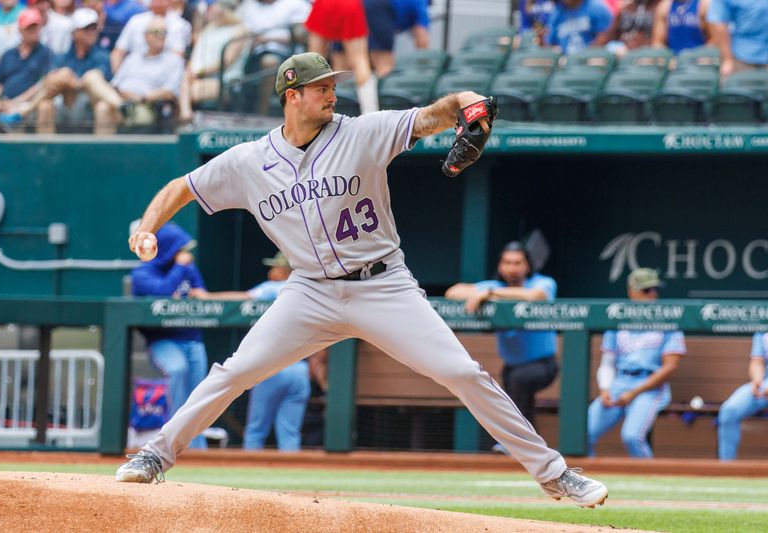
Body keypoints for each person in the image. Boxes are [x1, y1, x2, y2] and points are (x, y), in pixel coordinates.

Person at [115, 51, 608, 509]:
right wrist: (146, 227)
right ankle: (155, 456)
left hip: (383, 285)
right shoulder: (248, 161)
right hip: (308, 291)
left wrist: (465, 102)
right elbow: (181, 187)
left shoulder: (361, 132)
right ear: (292, 96)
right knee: (234, 372)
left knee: (462, 373)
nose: (332, 94)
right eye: (320, 88)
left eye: (333, 85)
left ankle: (554, 474)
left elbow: (435, 115)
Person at [191, 252, 311, 451]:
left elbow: (244, 298)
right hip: (300, 371)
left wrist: (207, 297)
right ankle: (290, 481)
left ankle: (243, 479)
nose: (271, 271)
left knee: (256, 430)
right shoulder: (309, 291)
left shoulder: (276, 287)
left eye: (275, 267)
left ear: (284, 270)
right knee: (290, 433)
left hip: (272, 368)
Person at [445, 242, 558, 432]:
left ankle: (511, 442)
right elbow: (453, 292)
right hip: (511, 366)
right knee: (521, 401)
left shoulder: (542, 282)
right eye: (507, 263)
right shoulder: (495, 285)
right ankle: (529, 447)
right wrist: (487, 292)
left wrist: (490, 294)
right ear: (500, 265)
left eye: (517, 263)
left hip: (543, 365)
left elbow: (536, 295)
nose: (511, 268)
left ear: (527, 265)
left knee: (518, 387)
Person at [587, 268, 686, 458]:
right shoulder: (618, 319)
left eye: (655, 289)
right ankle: (586, 483)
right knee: (583, 432)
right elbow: (608, 363)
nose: (653, 294)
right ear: (632, 292)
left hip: (650, 387)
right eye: (647, 290)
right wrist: (605, 388)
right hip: (620, 383)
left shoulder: (669, 320)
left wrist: (634, 392)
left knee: (631, 436)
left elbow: (670, 367)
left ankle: (651, 480)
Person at [130, 221, 209, 449]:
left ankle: (198, 449)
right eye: (177, 249)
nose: (183, 254)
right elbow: (163, 292)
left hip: (192, 337)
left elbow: (203, 293)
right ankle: (173, 442)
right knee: (177, 369)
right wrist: (181, 268)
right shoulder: (142, 272)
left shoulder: (188, 269)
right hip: (162, 340)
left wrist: (201, 295)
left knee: (201, 392)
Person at [1, 8, 118, 134]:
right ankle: (45, 152)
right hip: (66, 103)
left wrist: (71, 80)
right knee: (46, 104)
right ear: (74, 33)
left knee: (92, 81)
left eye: (94, 28)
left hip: (91, 104)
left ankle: (24, 111)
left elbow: (97, 81)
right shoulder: (63, 56)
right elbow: (49, 81)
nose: (91, 32)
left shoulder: (102, 55)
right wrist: (66, 79)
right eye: (86, 29)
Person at [0, 8, 54, 132]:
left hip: (29, 104)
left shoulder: (46, 53)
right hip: (3, 102)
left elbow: (43, 83)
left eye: (36, 27)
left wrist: (17, 101)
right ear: (20, 30)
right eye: (30, 27)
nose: (34, 31)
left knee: (23, 115)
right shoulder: (9, 54)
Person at [305, 0, 378, 114]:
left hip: (324, 4)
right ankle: (370, 114)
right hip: (348, 4)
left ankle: (309, 111)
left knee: (314, 60)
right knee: (359, 60)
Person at [717, 332, 768, 461]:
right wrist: (758, 381)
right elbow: (757, 361)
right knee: (729, 410)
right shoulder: (762, 330)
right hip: (764, 385)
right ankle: (727, 469)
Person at [707, 0, 768, 79]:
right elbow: (718, 23)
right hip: (740, 55)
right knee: (739, 89)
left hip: (755, 51)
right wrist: (727, 59)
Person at [545, 0, 613, 54]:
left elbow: (605, 37)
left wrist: (583, 57)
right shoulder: (556, 14)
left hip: (592, 59)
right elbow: (550, 44)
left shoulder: (596, 7)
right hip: (566, 63)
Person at [593, 0, 661, 54]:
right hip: (623, 54)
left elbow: (659, 44)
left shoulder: (662, 7)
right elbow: (606, 37)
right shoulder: (626, 9)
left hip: (649, 56)